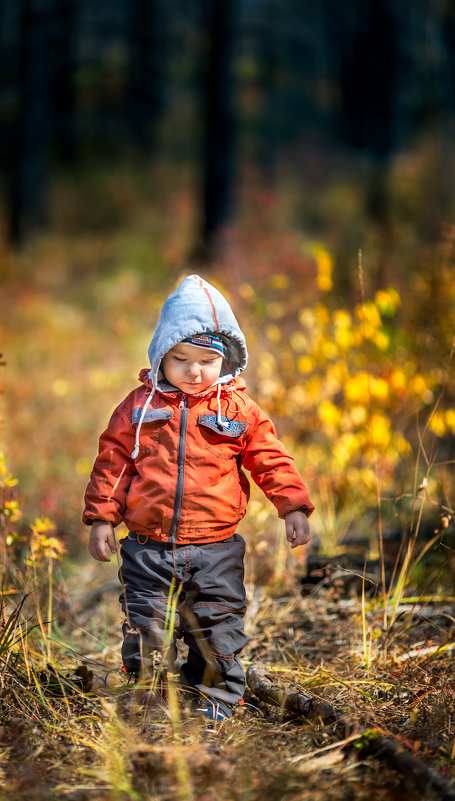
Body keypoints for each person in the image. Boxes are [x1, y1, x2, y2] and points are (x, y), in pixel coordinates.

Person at [83, 274, 314, 720]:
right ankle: (150, 703)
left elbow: (270, 459)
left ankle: (218, 699)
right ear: (161, 356)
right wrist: (102, 519)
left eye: (206, 360)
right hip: (147, 548)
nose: (193, 371)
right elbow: (112, 463)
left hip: (216, 549)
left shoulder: (236, 409)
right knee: (145, 628)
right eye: (180, 358)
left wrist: (294, 507)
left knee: (217, 628)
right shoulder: (138, 406)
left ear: (225, 360)